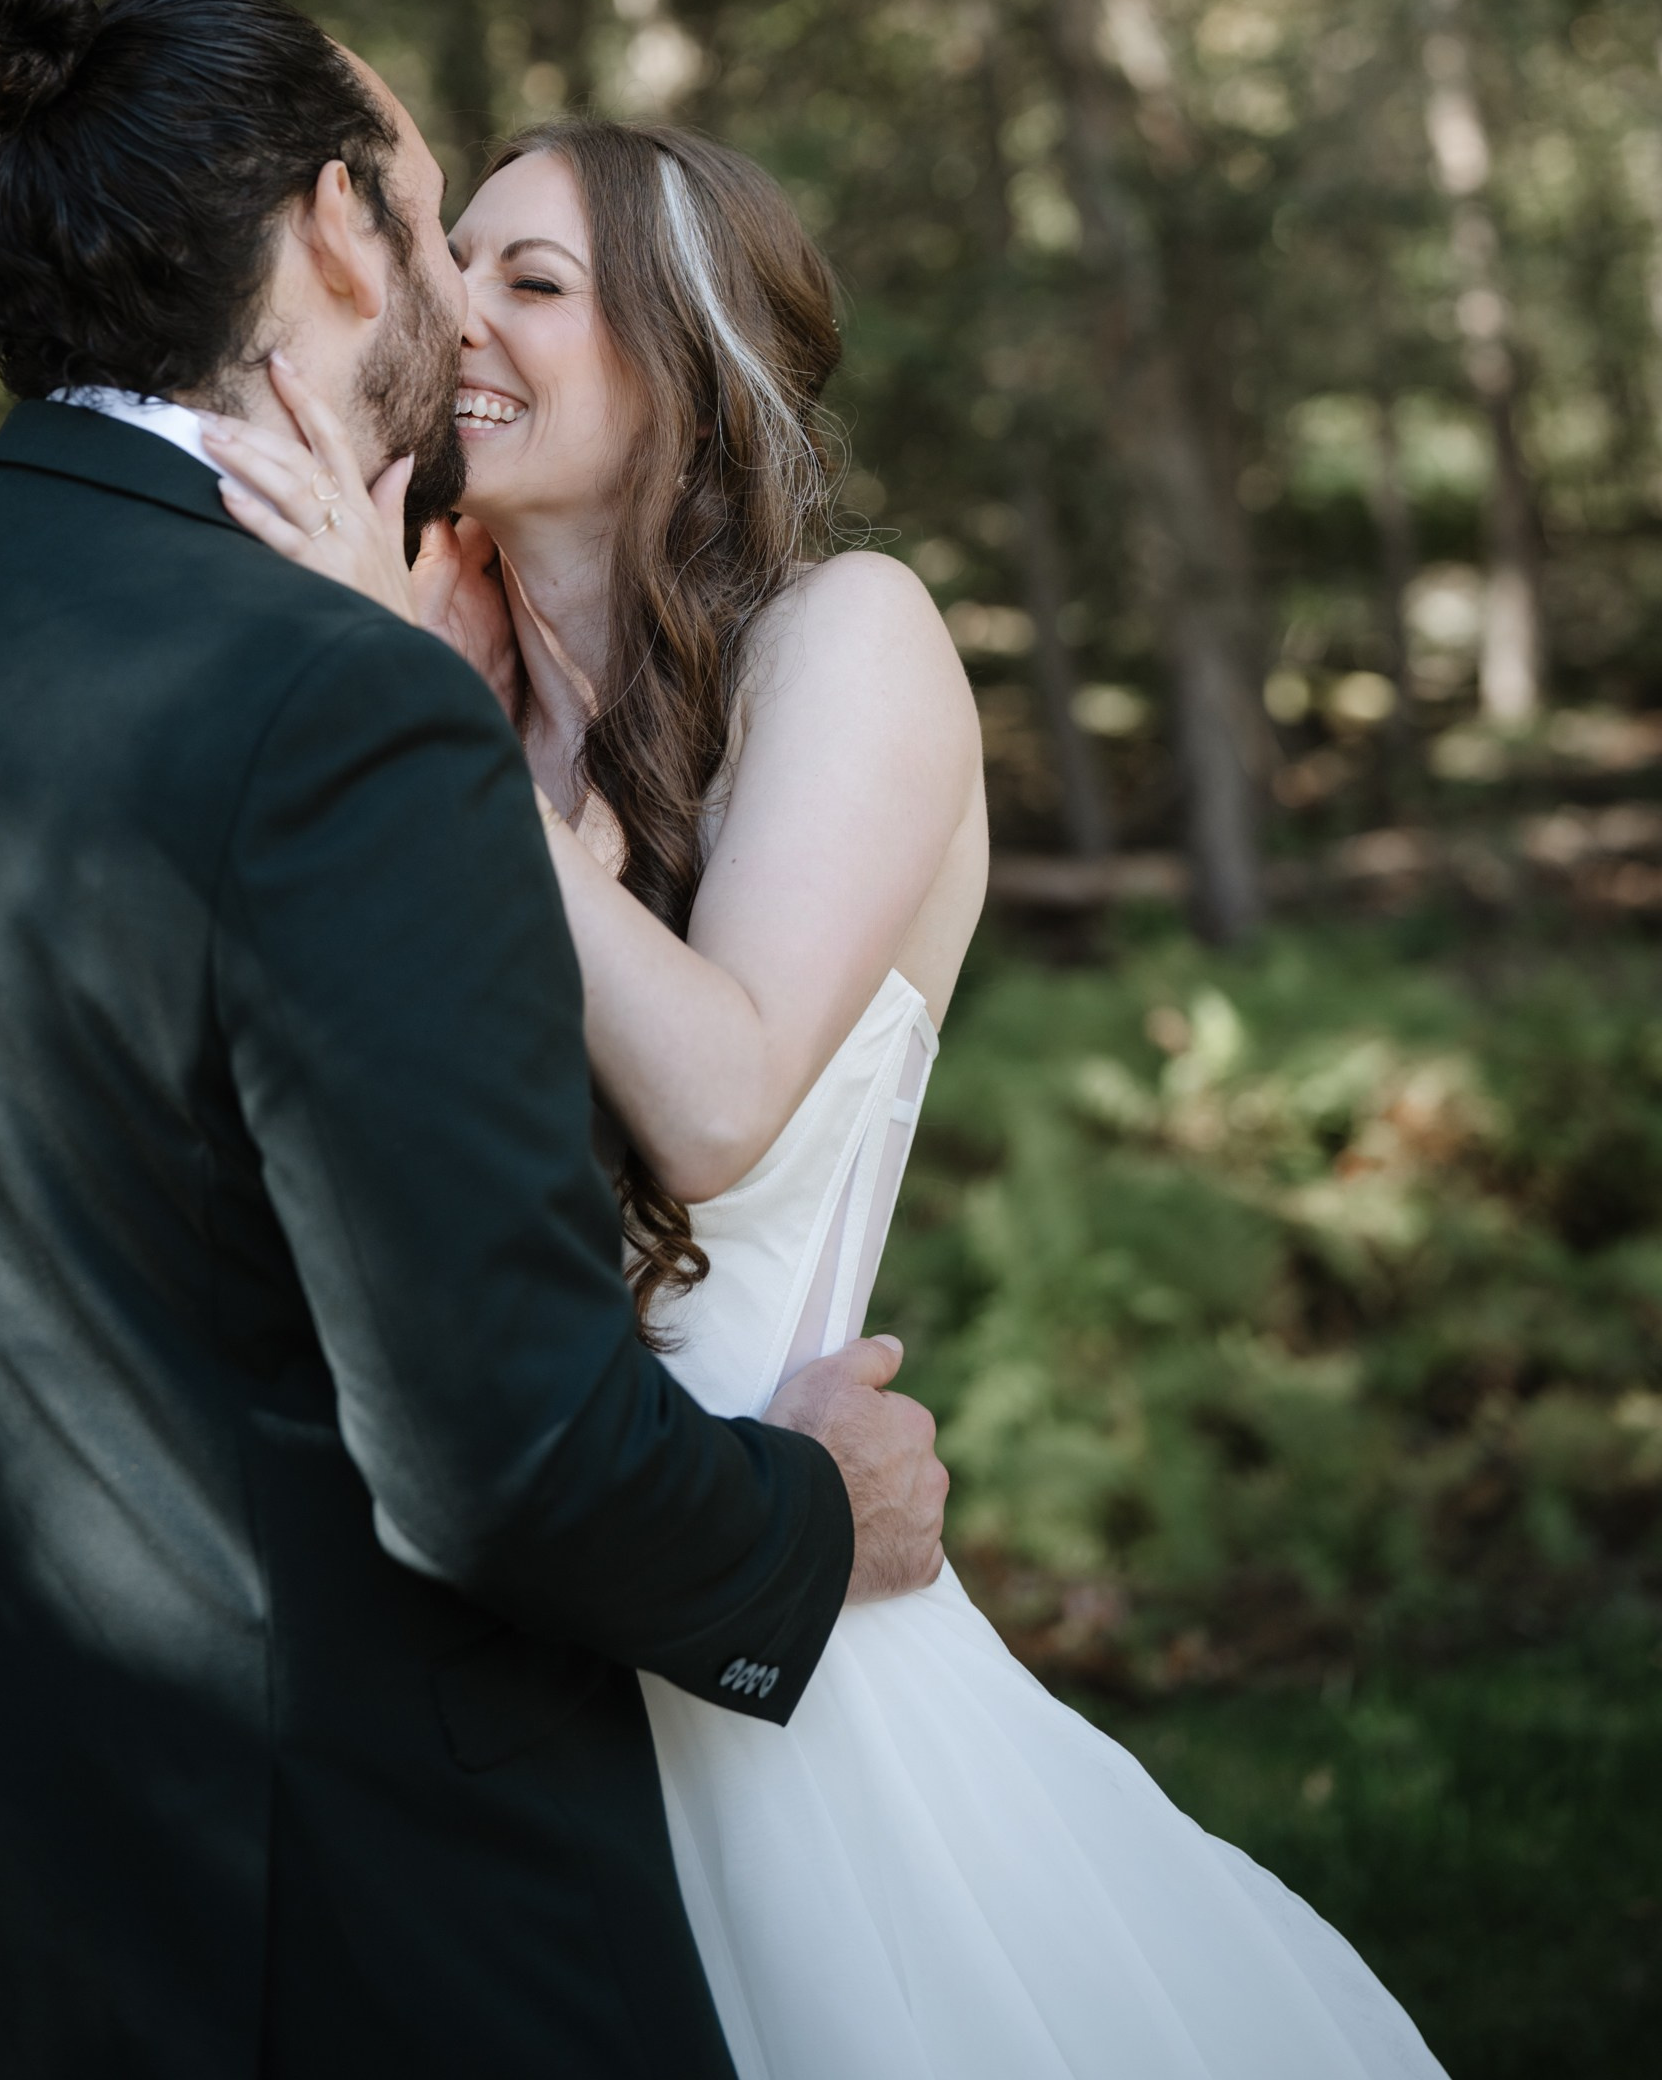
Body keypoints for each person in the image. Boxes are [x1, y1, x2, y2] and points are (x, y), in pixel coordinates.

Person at [0, 0, 948, 2080]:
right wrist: (819, 1510)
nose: (467, 315)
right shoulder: (339, 696)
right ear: (333, 235)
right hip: (356, 1925)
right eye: (439, 221)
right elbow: (496, 1455)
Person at [217, 111, 1451, 2080]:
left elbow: (715, 1102)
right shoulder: (444, 666)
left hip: (768, 1614)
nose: (462, 319)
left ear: (690, 366)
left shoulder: (846, 638)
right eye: (465, 272)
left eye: (536, 283)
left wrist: (415, 715)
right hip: (492, 1624)